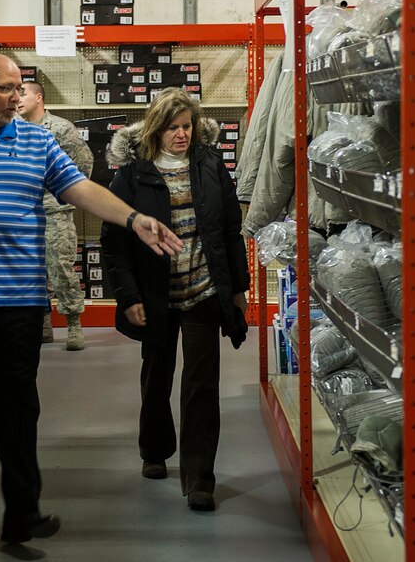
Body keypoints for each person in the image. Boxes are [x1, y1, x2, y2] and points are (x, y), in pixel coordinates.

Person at [0, 53, 182, 544]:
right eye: (6, 88)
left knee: (16, 406)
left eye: (18, 87)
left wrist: (133, 219)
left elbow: (81, 189)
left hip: (17, 298)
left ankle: (23, 511)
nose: (16, 96)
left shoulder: (36, 139)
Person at [100, 88, 250, 512]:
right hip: (156, 295)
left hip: (203, 291)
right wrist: (128, 295)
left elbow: (230, 233)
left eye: (186, 126)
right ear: (155, 129)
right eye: (172, 128)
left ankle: (200, 478)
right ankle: (154, 449)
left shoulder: (209, 165)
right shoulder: (132, 174)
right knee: (157, 376)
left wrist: (238, 290)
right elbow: (114, 244)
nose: (181, 135)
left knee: (202, 384)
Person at [17, 80, 93, 350]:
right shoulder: (12, 129)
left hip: (55, 213)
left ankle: (73, 323)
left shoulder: (60, 128)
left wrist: (62, 195)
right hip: (23, 215)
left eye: (23, 93)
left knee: (61, 269)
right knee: (31, 272)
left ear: (39, 97)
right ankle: (44, 323)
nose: (18, 98)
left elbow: (84, 165)